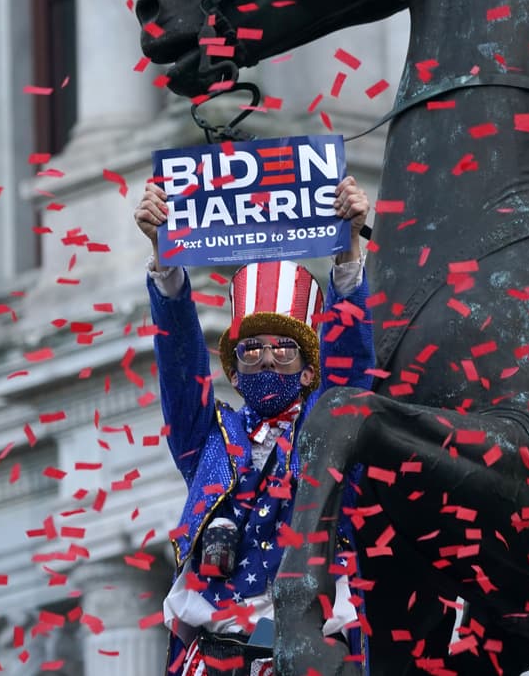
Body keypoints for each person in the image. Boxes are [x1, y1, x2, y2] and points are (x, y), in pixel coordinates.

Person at [135, 175, 374, 676]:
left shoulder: (326, 433)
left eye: (284, 350)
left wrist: (348, 250)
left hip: (303, 657)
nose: (266, 359)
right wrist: (166, 263)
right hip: (211, 659)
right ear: (234, 371)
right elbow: (180, 368)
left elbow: (350, 375)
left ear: (310, 370)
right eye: (252, 350)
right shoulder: (209, 440)